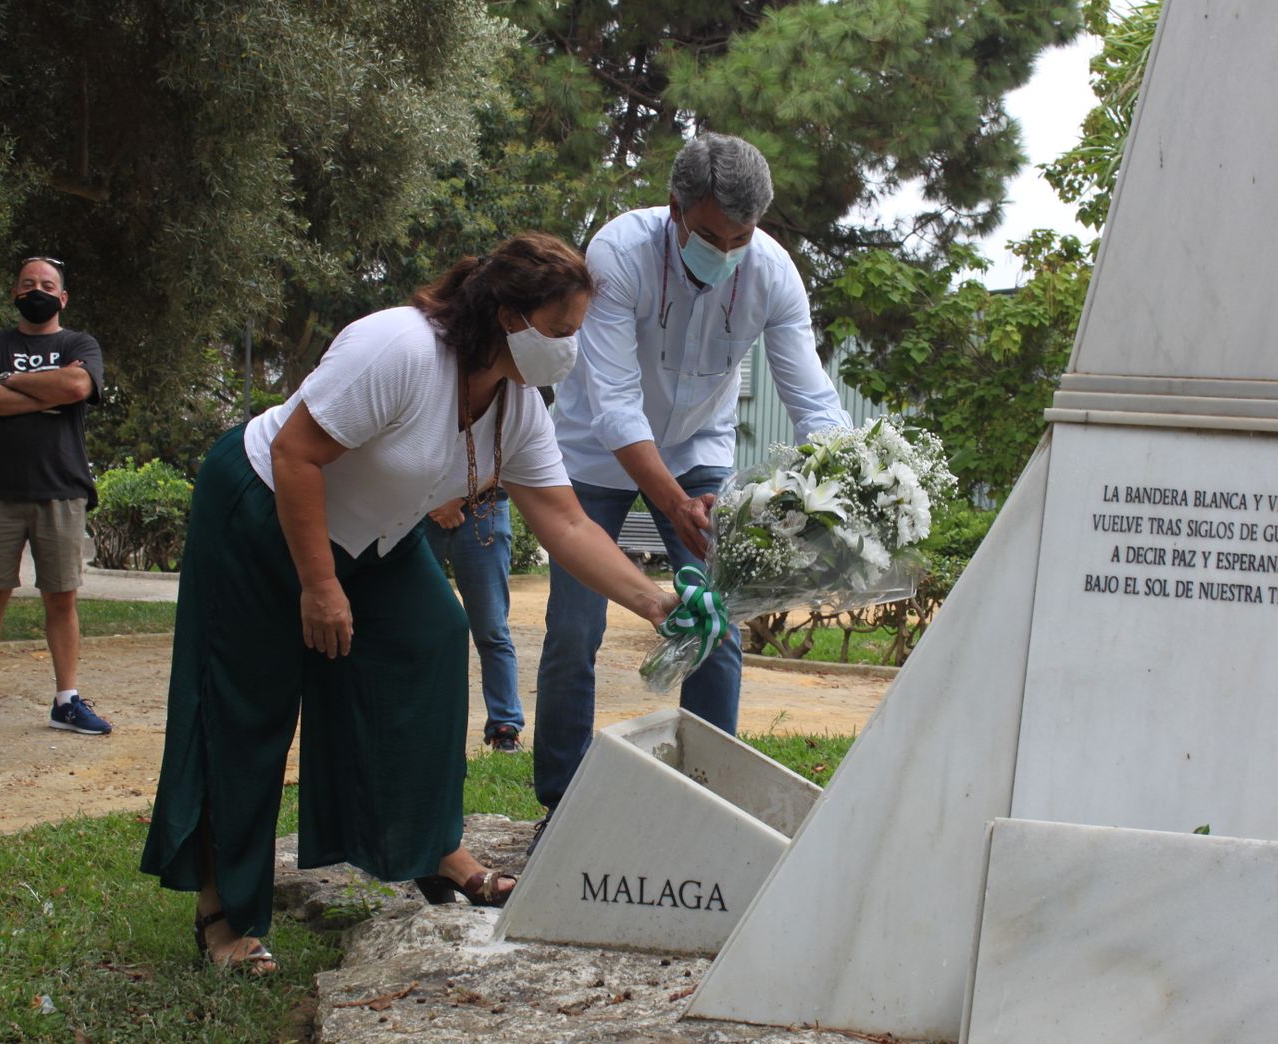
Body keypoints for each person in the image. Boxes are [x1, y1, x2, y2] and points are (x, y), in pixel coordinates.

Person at [139, 233, 702, 974]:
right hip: (263, 510)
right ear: (508, 315)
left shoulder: (517, 406)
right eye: (562, 332)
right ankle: (224, 913)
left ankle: (434, 846)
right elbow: (295, 454)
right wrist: (318, 584)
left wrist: (656, 602)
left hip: (371, 537)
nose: (571, 350)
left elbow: (564, 522)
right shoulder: (398, 350)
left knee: (434, 635)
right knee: (249, 709)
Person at [533, 132, 850, 822]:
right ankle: (561, 802)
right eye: (711, 234)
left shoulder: (772, 272)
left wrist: (847, 482)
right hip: (593, 454)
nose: (728, 251)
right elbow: (614, 405)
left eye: (743, 236)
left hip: (700, 449)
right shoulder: (619, 251)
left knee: (719, 622)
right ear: (676, 208)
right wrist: (671, 502)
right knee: (573, 631)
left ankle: (708, 799)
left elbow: (812, 400)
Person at [0, 256, 109, 737]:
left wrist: (10, 383)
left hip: (61, 491)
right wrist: (48, 395)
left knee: (61, 598)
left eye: (47, 284)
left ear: (62, 297)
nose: (36, 290)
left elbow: (77, 383)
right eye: (28, 284)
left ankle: (67, 702)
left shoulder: (78, 344)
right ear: (14, 293)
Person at [423, 487, 524, 751]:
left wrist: (457, 499)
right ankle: (424, 724)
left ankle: (505, 726)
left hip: (484, 508)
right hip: (422, 509)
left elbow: (502, 456)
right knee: (420, 627)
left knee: (491, 629)